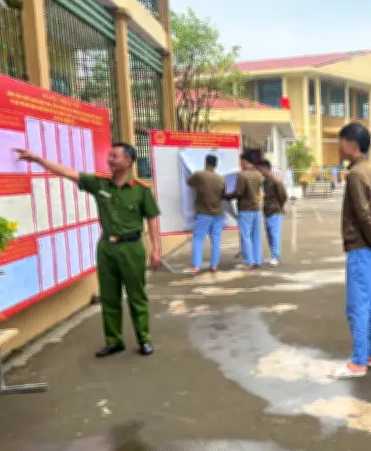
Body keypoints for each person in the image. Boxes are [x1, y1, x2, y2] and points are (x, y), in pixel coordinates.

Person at [14, 143, 161, 357]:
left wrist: (156, 249)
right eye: (109, 155)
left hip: (131, 248)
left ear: (128, 161)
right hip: (106, 248)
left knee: (136, 295)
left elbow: (152, 218)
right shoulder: (99, 183)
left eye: (115, 156)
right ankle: (114, 341)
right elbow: (68, 173)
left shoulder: (141, 189)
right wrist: (38, 159)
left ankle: (144, 339)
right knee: (109, 296)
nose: (110, 159)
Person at [329, 122, 371, 379]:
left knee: (357, 306)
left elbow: (364, 214)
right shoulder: (370, 170)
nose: (339, 147)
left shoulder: (356, 174)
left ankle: (358, 362)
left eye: (341, 141)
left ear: (351, 144)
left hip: (362, 246)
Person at [186, 154, 226, 274]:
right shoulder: (221, 179)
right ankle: (214, 265)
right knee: (216, 240)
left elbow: (189, 182)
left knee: (198, 239)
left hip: (203, 213)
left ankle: (196, 266)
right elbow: (223, 194)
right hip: (218, 213)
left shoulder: (199, 175)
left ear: (205, 162)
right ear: (216, 164)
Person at [226, 149, 264, 270]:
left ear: (244, 161)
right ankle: (257, 260)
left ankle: (248, 262)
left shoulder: (242, 175)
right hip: (256, 209)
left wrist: (226, 195)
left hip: (245, 209)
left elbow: (239, 192)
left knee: (245, 236)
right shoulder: (258, 174)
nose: (240, 164)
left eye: (240, 161)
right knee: (256, 235)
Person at [256, 159, 289, 267]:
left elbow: (283, 196)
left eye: (260, 169)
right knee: (269, 234)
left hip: (275, 211)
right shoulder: (264, 182)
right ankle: (272, 255)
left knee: (274, 234)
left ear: (266, 168)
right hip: (267, 211)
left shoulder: (276, 182)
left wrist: (280, 206)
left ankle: (276, 256)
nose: (259, 171)